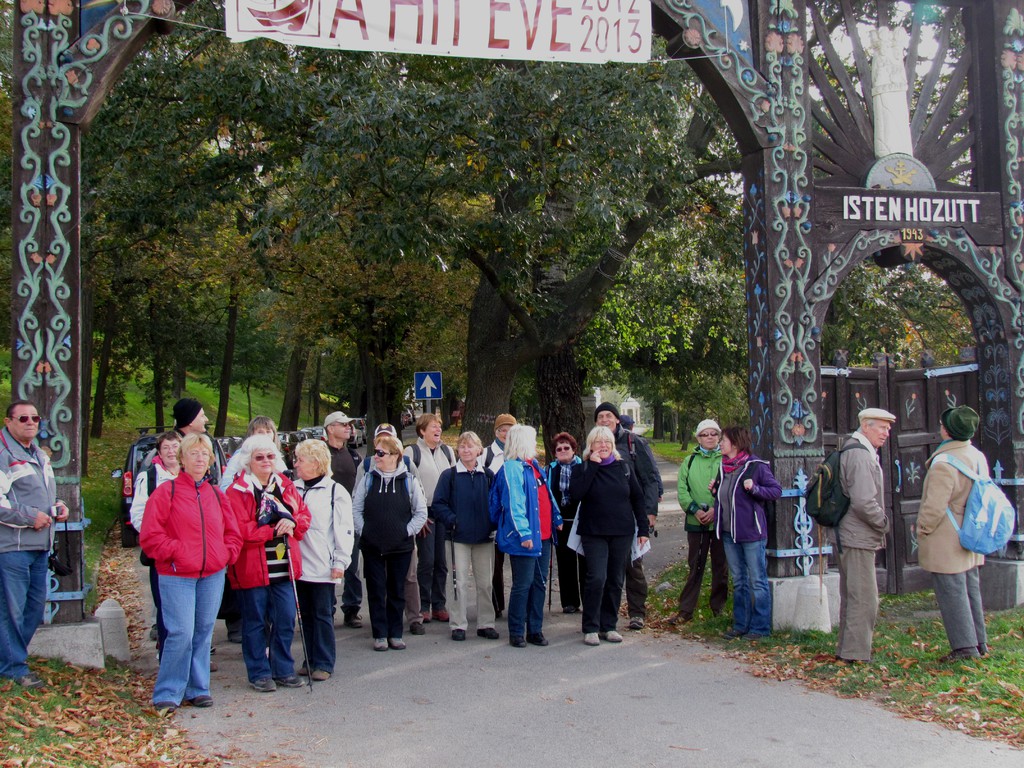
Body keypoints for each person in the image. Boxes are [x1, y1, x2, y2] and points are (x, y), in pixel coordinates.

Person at [140, 433, 242, 714]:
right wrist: (177, 552)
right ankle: (168, 690)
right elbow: (150, 537)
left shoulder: (216, 496)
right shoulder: (166, 493)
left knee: (203, 632)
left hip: (212, 575)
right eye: (193, 453)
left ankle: (198, 688)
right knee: (180, 632)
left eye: (204, 454)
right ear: (182, 459)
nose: (199, 459)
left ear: (210, 460)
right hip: (177, 575)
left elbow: (233, 534)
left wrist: (225, 555)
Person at [226, 436, 311, 692]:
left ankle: (283, 668)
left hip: (284, 566)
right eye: (259, 457)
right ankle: (259, 673)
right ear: (248, 461)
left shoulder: (285, 485)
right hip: (252, 568)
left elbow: (304, 515)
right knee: (254, 622)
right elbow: (240, 530)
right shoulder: (237, 491)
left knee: (286, 618)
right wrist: (273, 530)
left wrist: (293, 523)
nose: (265, 461)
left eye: (270, 456)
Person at [0, 401, 70, 689]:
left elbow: (40, 496)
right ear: (8, 422)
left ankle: (13, 660)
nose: (31, 422)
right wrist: (31, 517)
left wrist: (57, 506)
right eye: (23, 418)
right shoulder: (4, 454)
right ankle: (13, 667)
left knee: (33, 608)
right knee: (11, 610)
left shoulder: (38, 454)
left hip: (41, 546)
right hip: (12, 547)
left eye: (35, 418)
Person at [918, 406, 989, 661]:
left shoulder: (944, 463)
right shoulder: (977, 456)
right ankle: (979, 641)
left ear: (947, 430)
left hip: (947, 536)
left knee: (951, 591)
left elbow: (935, 506)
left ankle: (964, 648)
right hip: (970, 530)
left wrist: (923, 529)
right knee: (970, 588)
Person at [571, 426, 649, 646]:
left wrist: (643, 529)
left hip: (622, 531)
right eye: (598, 442)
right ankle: (591, 627)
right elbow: (577, 494)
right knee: (597, 578)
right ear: (591, 445)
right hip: (593, 532)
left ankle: (609, 625)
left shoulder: (623, 467)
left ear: (613, 445)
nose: (603, 445)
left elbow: (637, 498)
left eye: (607, 442)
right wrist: (593, 467)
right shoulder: (583, 467)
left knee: (615, 579)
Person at [352, 433, 428, 651]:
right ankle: (379, 634)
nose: (376, 457)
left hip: (400, 546)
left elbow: (420, 512)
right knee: (376, 589)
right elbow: (356, 508)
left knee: (396, 590)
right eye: (375, 453)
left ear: (395, 456)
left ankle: (395, 633)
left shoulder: (409, 482)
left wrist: (406, 532)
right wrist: (364, 530)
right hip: (372, 545)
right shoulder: (368, 479)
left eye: (380, 453)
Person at [489, 425, 562, 648]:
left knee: (539, 583)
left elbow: (547, 496)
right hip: (527, 536)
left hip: (544, 535)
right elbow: (514, 503)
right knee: (523, 583)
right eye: (532, 439)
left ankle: (535, 629)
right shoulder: (512, 468)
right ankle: (517, 631)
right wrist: (524, 532)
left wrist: (556, 517)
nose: (535, 443)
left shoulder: (534, 466)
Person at [835, 407, 896, 663]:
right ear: (866, 426)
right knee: (864, 598)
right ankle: (856, 654)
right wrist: (883, 523)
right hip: (857, 535)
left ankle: (847, 650)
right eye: (882, 428)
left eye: (888, 428)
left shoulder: (854, 450)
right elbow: (863, 501)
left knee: (853, 595)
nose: (886, 433)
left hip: (849, 534)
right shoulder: (860, 456)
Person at [594, 402, 661, 630]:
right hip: (602, 519)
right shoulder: (592, 445)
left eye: (608, 416)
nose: (604, 420)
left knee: (633, 565)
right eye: (600, 416)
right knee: (603, 570)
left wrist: (650, 512)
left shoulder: (634, 443)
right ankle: (603, 616)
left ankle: (636, 612)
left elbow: (650, 478)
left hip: (632, 513)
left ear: (617, 419)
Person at [713, 426, 782, 639]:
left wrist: (755, 488)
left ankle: (760, 628)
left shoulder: (756, 467)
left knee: (757, 580)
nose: (720, 443)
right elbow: (726, 497)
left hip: (752, 533)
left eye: (723, 440)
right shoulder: (723, 468)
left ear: (734, 442)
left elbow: (776, 491)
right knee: (739, 580)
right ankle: (740, 625)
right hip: (728, 533)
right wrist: (715, 491)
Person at [293, 439, 354, 680]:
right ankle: (309, 658)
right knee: (305, 614)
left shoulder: (334, 491)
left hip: (322, 565)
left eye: (301, 460)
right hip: (299, 565)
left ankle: (324, 662)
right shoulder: (293, 488)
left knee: (321, 613)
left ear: (317, 463)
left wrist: (340, 561)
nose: (295, 464)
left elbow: (344, 528)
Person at [431, 431, 499, 641]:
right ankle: (458, 624)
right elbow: (438, 504)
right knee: (458, 582)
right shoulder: (449, 476)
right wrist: (452, 519)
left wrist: (493, 523)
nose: (466, 450)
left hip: (484, 538)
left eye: (470, 446)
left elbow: (496, 503)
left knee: (485, 583)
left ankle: (486, 623)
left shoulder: (488, 476)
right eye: (462, 447)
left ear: (479, 450)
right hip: (457, 537)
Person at [670, 419, 728, 624]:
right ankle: (686, 610)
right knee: (695, 565)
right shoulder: (690, 461)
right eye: (705, 434)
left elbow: (729, 488)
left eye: (714, 434)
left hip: (721, 521)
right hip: (696, 522)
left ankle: (718, 608)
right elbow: (682, 491)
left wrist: (716, 510)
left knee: (721, 566)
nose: (710, 437)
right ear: (698, 438)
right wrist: (694, 510)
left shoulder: (726, 459)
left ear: (719, 436)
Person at [130, 430, 181, 656]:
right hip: (163, 554)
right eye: (166, 448)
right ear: (159, 452)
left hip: (191, 553)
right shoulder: (149, 477)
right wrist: (159, 541)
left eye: (175, 446)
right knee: (165, 605)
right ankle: (167, 653)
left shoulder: (195, 475)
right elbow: (138, 515)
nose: (171, 452)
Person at [405, 414, 456, 625]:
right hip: (424, 513)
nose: (438, 430)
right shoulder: (412, 452)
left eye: (439, 426)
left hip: (443, 512)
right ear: (422, 430)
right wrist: (417, 516)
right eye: (433, 426)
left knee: (442, 562)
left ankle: (439, 605)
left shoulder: (447, 451)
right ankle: (423, 605)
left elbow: (455, 479)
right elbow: (409, 486)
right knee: (426, 561)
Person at [323, 411, 364, 630]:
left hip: (349, 518)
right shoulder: (321, 453)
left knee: (352, 565)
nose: (349, 427)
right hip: (325, 518)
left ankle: (352, 609)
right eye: (343, 424)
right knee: (326, 564)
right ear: (330, 428)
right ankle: (327, 608)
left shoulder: (354, 455)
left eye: (350, 424)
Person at [547, 432, 585, 614]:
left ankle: (588, 599)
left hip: (582, 521)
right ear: (555, 452)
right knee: (565, 562)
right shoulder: (551, 470)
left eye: (566, 448)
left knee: (585, 563)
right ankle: (569, 602)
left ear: (573, 449)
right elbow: (548, 495)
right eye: (558, 449)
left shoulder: (583, 467)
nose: (562, 451)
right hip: (561, 523)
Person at [485, 413, 516, 619]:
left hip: (515, 519)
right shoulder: (486, 454)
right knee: (494, 565)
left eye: (510, 430)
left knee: (518, 564)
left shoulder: (518, 453)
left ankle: (518, 605)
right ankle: (496, 605)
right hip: (494, 518)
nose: (506, 434)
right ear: (496, 432)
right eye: (502, 430)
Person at [220, 416, 278, 492]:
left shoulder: (277, 456)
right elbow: (225, 487)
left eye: (268, 432)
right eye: (260, 432)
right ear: (251, 435)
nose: (265, 435)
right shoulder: (240, 456)